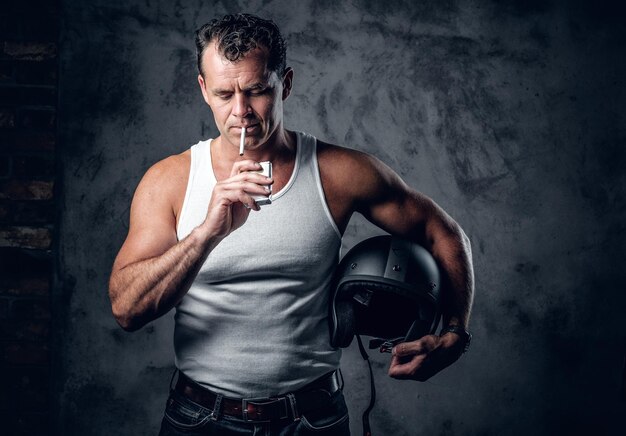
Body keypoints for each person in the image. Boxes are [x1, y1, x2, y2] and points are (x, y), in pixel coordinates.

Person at [108, 13, 474, 436]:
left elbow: (443, 232)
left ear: (286, 83)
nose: (241, 111)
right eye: (225, 94)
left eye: (258, 90)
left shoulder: (339, 173)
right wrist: (208, 232)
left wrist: (455, 332)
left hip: (312, 417)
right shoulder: (169, 181)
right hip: (200, 418)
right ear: (204, 90)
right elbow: (127, 310)